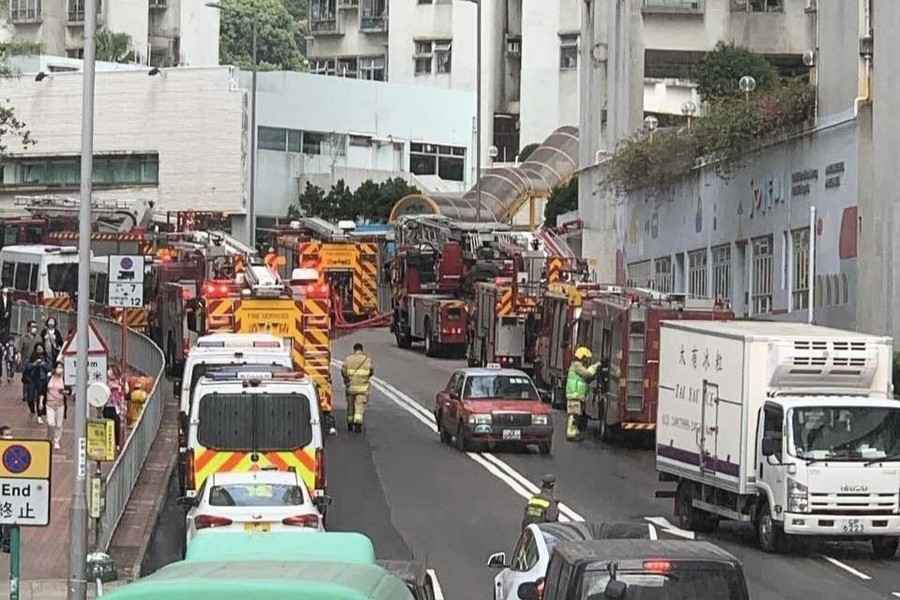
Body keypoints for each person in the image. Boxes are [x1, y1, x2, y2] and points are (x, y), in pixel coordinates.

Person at [565, 346, 601, 441]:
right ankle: (570, 433)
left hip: (577, 396)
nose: (587, 360)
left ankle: (574, 432)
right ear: (582, 357)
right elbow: (587, 374)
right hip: (574, 395)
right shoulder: (577, 366)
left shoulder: (577, 366)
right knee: (574, 414)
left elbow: (587, 379)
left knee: (577, 415)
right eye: (586, 358)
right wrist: (595, 366)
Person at [341, 343, 373, 433]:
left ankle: (350, 423)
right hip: (362, 388)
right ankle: (358, 424)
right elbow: (371, 371)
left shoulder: (348, 359)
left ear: (354, 350)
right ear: (361, 350)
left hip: (350, 387)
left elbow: (343, 371)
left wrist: (347, 380)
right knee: (359, 406)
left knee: (350, 405)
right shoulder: (367, 360)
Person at [25, 344, 50, 423]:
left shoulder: (46, 357)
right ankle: (32, 410)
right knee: (30, 398)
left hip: (41, 380)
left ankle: (39, 416)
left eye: (41, 348)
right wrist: (34, 364)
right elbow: (27, 367)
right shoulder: (32, 357)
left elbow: (49, 367)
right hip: (32, 379)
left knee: (40, 398)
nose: (39, 350)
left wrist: (43, 365)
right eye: (38, 349)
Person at [44, 362, 67, 449]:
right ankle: (49, 438)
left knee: (59, 424)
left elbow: (69, 391)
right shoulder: (49, 377)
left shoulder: (64, 379)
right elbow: (43, 389)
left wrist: (64, 392)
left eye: (61, 367)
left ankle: (56, 440)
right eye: (58, 367)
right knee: (51, 423)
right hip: (49, 404)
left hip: (60, 404)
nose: (59, 369)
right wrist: (41, 400)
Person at [16, 321, 39, 402]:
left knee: (36, 379)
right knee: (26, 379)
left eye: (35, 326)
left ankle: (35, 395)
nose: (34, 328)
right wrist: (18, 356)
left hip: (36, 361)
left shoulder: (38, 338)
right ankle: (25, 395)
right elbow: (19, 349)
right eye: (33, 326)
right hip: (26, 362)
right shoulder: (23, 337)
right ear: (28, 327)